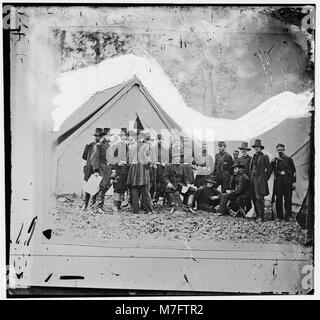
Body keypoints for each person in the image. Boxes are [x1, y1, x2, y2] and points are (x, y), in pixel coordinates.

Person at [163, 144, 197, 214]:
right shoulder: (169, 166)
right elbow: (164, 177)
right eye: (176, 158)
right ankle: (173, 206)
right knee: (169, 189)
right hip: (172, 185)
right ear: (173, 158)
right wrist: (168, 183)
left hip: (180, 185)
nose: (178, 159)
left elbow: (185, 177)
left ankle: (189, 206)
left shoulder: (182, 166)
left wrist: (187, 184)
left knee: (192, 190)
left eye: (179, 158)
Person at [126, 130, 153, 214]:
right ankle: (149, 210)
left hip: (133, 168)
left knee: (134, 189)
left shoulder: (130, 146)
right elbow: (148, 159)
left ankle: (135, 210)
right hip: (142, 168)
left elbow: (128, 160)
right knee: (145, 190)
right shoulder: (145, 146)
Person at [271, 143, 296, 221]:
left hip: (287, 182)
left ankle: (288, 216)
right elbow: (272, 170)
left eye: (281, 150)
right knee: (278, 199)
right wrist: (272, 162)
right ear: (276, 150)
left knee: (288, 199)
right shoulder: (275, 160)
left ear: (284, 150)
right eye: (278, 150)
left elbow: (294, 171)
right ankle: (280, 216)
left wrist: (294, 182)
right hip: (278, 182)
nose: (280, 151)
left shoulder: (289, 159)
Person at [91, 128, 113, 214]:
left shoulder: (108, 146)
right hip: (101, 168)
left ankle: (97, 205)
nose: (108, 137)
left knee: (105, 186)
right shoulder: (98, 146)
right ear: (102, 137)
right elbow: (95, 158)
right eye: (106, 136)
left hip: (107, 168)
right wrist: (96, 170)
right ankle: (97, 206)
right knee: (101, 186)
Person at [249, 139, 272, 222]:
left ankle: (261, 217)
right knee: (253, 197)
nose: (256, 148)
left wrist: (265, 178)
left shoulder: (264, 157)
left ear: (260, 148)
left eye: (257, 147)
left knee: (259, 198)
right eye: (255, 147)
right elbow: (251, 169)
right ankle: (257, 214)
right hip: (252, 179)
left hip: (260, 180)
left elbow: (269, 169)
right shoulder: (253, 157)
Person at [81, 128, 102, 210]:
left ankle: (92, 204)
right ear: (95, 137)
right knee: (88, 187)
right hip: (90, 169)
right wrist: (91, 161)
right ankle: (85, 203)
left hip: (98, 169)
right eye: (97, 136)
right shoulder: (89, 146)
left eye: (100, 136)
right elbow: (84, 156)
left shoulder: (101, 146)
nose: (98, 138)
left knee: (96, 187)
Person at [111, 128, 130, 213]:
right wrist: (118, 162)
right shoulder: (116, 145)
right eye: (123, 136)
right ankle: (115, 204)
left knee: (123, 187)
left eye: (126, 136)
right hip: (118, 170)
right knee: (117, 186)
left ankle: (119, 204)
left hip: (125, 170)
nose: (124, 137)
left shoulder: (127, 146)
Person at [238, 141, 252, 212]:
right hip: (240, 179)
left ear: (247, 150)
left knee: (247, 196)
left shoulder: (250, 159)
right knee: (241, 194)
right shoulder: (239, 159)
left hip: (247, 180)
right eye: (242, 149)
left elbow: (251, 169)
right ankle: (241, 211)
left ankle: (248, 211)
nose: (243, 151)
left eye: (245, 149)